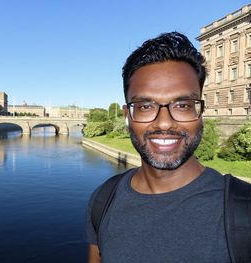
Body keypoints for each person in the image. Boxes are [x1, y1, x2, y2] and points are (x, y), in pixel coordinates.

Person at [85, 32, 251, 262]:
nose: (164, 122)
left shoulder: (244, 210)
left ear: (200, 111)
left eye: (182, 105)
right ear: (127, 116)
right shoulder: (103, 201)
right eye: (145, 106)